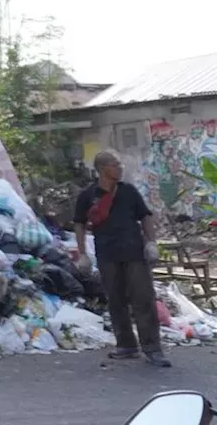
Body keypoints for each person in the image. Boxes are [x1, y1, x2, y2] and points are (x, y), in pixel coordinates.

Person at [73, 151, 170, 367]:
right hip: (107, 254)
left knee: (143, 299)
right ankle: (126, 344)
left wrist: (151, 243)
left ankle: (153, 348)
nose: (120, 167)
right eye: (115, 164)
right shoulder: (88, 196)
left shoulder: (129, 192)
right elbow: (79, 223)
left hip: (134, 252)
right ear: (102, 169)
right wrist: (82, 254)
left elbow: (145, 216)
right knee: (116, 300)